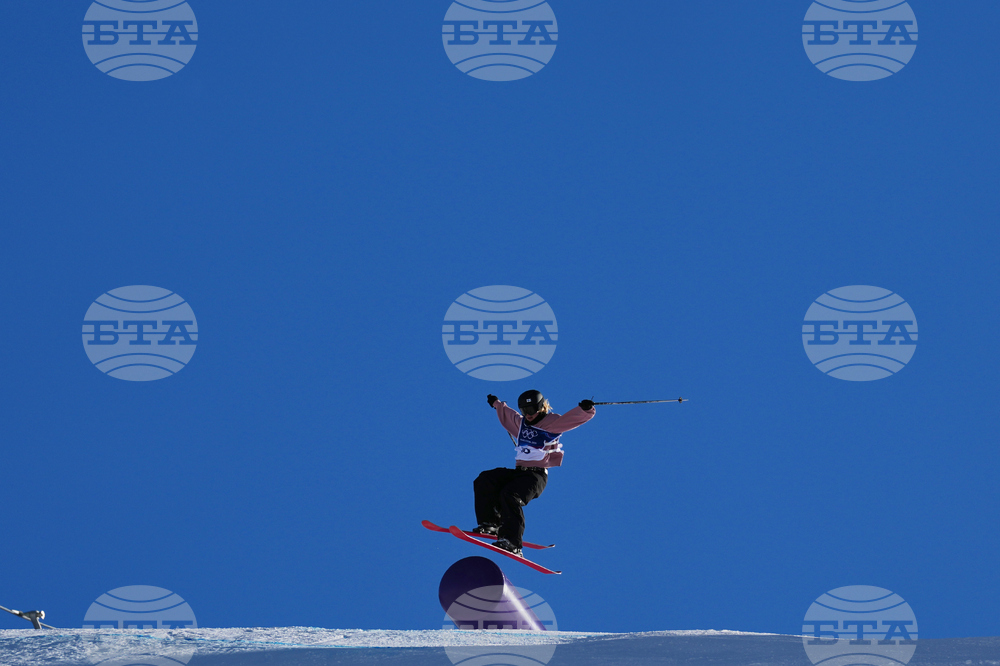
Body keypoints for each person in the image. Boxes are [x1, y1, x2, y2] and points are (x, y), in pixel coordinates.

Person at [472, 389, 596, 556]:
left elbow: (571, 420)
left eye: (531, 410)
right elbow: (508, 414)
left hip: (535, 477)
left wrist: (585, 409)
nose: (528, 414)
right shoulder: (521, 424)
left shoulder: (552, 422)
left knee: (510, 495)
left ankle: (513, 543)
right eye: (524, 411)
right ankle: (490, 524)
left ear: (541, 407)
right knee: (486, 479)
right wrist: (496, 403)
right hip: (519, 473)